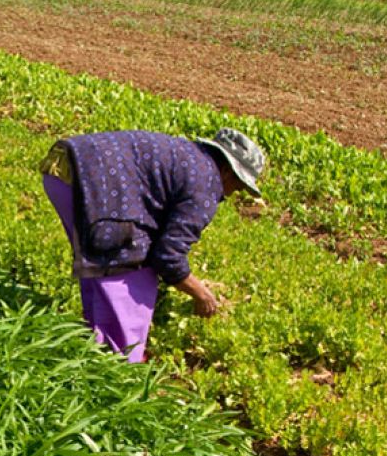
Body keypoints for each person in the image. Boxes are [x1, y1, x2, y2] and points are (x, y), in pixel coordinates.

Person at [40, 128, 265, 363]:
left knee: (100, 262)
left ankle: (96, 345)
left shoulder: (191, 157)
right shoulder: (206, 185)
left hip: (65, 171)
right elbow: (167, 256)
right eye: (238, 187)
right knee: (131, 270)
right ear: (228, 172)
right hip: (89, 186)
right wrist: (201, 294)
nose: (231, 194)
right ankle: (119, 367)